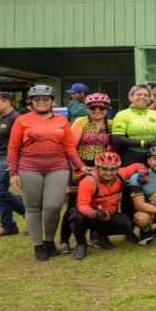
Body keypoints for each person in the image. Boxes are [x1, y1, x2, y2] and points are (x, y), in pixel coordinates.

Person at [8, 85, 89, 261]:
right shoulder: (22, 120)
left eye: (45, 99)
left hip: (57, 167)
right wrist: (13, 173)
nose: (41, 102)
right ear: (31, 101)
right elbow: (13, 148)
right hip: (29, 167)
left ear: (52, 101)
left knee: (53, 206)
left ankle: (49, 240)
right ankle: (38, 245)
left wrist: (80, 165)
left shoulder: (62, 120)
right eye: (37, 99)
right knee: (33, 207)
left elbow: (69, 147)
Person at [58, 92, 113, 254]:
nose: (97, 110)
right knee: (73, 204)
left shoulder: (111, 124)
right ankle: (64, 239)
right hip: (80, 166)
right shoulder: (80, 122)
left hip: (101, 168)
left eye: (101, 107)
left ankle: (94, 235)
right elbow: (70, 147)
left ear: (107, 108)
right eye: (93, 107)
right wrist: (80, 166)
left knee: (97, 202)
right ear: (88, 108)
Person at [69, 152, 146, 260]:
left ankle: (99, 235)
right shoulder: (88, 181)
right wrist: (95, 213)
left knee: (128, 224)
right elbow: (82, 205)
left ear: (118, 168)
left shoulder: (121, 174)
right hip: (91, 215)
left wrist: (143, 174)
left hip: (108, 215)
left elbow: (138, 165)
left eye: (113, 169)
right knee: (77, 217)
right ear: (97, 168)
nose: (109, 173)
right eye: (104, 169)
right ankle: (81, 244)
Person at [0, 92, 26, 237]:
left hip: (8, 159)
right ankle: (8, 226)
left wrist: (13, 162)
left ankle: (28, 213)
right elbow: (4, 142)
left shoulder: (16, 118)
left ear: (7, 102)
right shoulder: (2, 118)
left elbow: (19, 143)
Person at [111, 84, 156, 167]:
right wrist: (143, 143)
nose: (142, 97)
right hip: (131, 155)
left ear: (149, 99)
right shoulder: (122, 114)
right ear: (130, 97)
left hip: (153, 155)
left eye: (146, 95)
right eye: (138, 94)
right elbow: (117, 138)